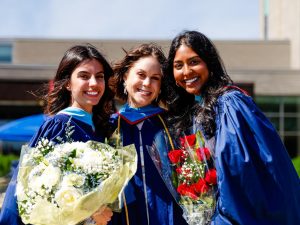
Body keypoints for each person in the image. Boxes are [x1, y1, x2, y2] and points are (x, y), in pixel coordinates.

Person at [164, 30, 300, 225]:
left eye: (194, 61)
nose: (186, 72)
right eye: (178, 66)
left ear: (209, 64)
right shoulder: (193, 112)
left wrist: (222, 220)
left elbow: (238, 170)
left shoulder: (229, 103)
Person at [0, 44, 116, 225]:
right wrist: (91, 212)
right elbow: (34, 192)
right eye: (84, 76)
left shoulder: (101, 128)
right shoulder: (60, 126)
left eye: (99, 77)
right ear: (68, 83)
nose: (94, 83)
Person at [108, 43, 188, 225]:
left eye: (155, 78)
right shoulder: (109, 127)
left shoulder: (173, 125)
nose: (147, 83)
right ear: (125, 77)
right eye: (141, 75)